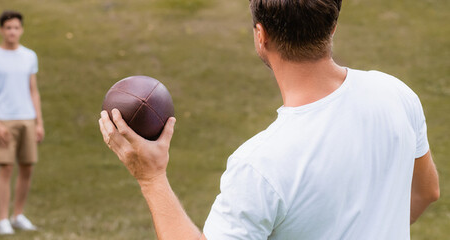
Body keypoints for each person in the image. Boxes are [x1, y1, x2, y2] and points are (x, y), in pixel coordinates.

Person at [97, 0, 440, 239]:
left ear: (260, 36)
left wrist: (151, 178)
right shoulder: (396, 94)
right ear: (332, 25)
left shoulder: (260, 165)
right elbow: (427, 191)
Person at [0, 10, 44, 235]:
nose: (12, 32)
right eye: (8, 28)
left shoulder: (29, 56)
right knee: (6, 168)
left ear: (21, 30)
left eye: (16, 27)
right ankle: (2, 219)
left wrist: (39, 122)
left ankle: (18, 215)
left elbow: (33, 91)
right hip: (4, 120)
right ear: (1, 30)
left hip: (27, 118)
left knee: (27, 167)